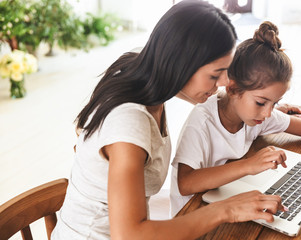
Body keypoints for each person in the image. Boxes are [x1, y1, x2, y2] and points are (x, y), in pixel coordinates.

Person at [51, 2, 288, 239]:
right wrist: (227, 209)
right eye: (215, 75)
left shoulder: (140, 73)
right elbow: (130, 234)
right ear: (180, 64)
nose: (225, 82)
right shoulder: (130, 124)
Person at [169, 21, 301, 217]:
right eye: (261, 102)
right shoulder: (202, 121)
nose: (268, 113)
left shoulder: (257, 115)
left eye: (275, 103)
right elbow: (185, 184)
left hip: (226, 195)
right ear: (232, 88)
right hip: (193, 213)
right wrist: (249, 165)